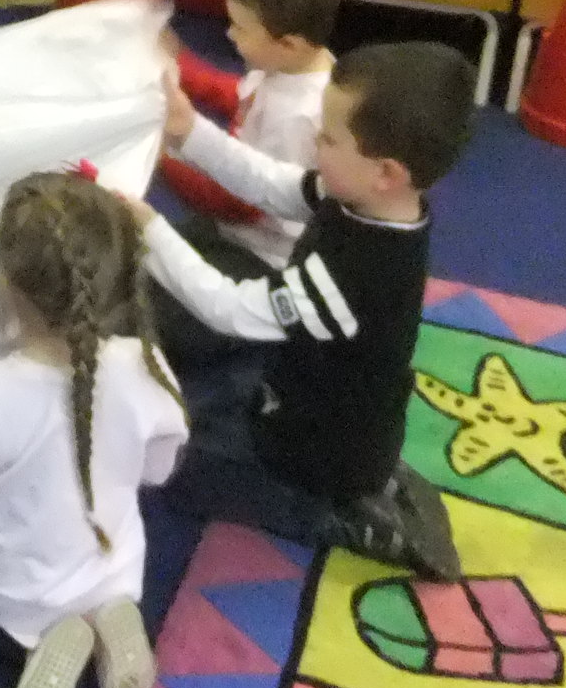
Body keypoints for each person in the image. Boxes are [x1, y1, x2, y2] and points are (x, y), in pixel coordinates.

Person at [134, 41, 474, 581]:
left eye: (328, 138)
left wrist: (148, 229)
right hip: (307, 395)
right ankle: (369, 475)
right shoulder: (365, 197)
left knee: (166, 469)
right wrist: (189, 131)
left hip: (312, 449)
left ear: (386, 172)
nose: (315, 144)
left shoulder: (357, 273)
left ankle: (345, 516)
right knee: (196, 401)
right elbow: (274, 185)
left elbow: (227, 308)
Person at [0, 172, 188, 688]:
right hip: (114, 563)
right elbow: (158, 470)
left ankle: (45, 642)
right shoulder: (147, 365)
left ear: (5, 284)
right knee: (102, 555)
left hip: (16, 589)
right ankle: (112, 618)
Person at [163, 0, 342, 276]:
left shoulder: (296, 118)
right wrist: (184, 68)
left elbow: (240, 203)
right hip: (235, 221)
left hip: (261, 254)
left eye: (240, 28)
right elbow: (244, 97)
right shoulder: (290, 67)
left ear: (288, 44)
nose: (229, 34)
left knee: (153, 270)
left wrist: (165, 156)